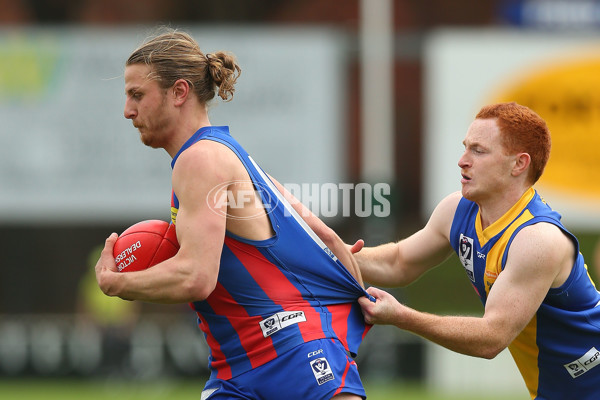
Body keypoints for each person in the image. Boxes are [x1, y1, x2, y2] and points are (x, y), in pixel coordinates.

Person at [94, 28, 372, 400]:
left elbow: (196, 278)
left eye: (137, 95)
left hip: (290, 357)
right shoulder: (226, 153)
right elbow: (328, 238)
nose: (127, 110)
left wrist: (117, 285)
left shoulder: (200, 159)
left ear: (179, 92)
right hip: (246, 365)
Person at [354, 102, 600, 400]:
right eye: (465, 147)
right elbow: (397, 262)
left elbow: (490, 338)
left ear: (519, 164)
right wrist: (318, 249)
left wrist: (400, 316)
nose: (462, 160)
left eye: (478, 151)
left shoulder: (538, 239)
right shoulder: (458, 209)